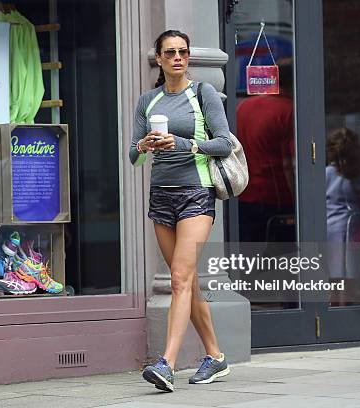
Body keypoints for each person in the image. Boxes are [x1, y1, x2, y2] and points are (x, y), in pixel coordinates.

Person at [129, 30, 233, 392]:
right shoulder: (148, 100)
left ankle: (166, 364)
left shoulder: (203, 93)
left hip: (196, 195)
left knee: (178, 278)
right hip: (161, 196)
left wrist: (185, 143)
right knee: (186, 282)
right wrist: (143, 145)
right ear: (158, 58)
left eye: (183, 52)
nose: (178, 57)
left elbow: (224, 142)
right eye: (170, 52)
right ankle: (216, 357)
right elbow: (133, 157)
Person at [235, 58, 295, 243]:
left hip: (244, 193)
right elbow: (291, 164)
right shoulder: (290, 110)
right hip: (276, 198)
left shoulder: (243, 107)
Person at [326, 127, 360, 306]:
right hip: (352, 230)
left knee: (334, 275)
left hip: (329, 228)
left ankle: (333, 312)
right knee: (350, 275)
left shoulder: (325, 173)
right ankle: (346, 312)